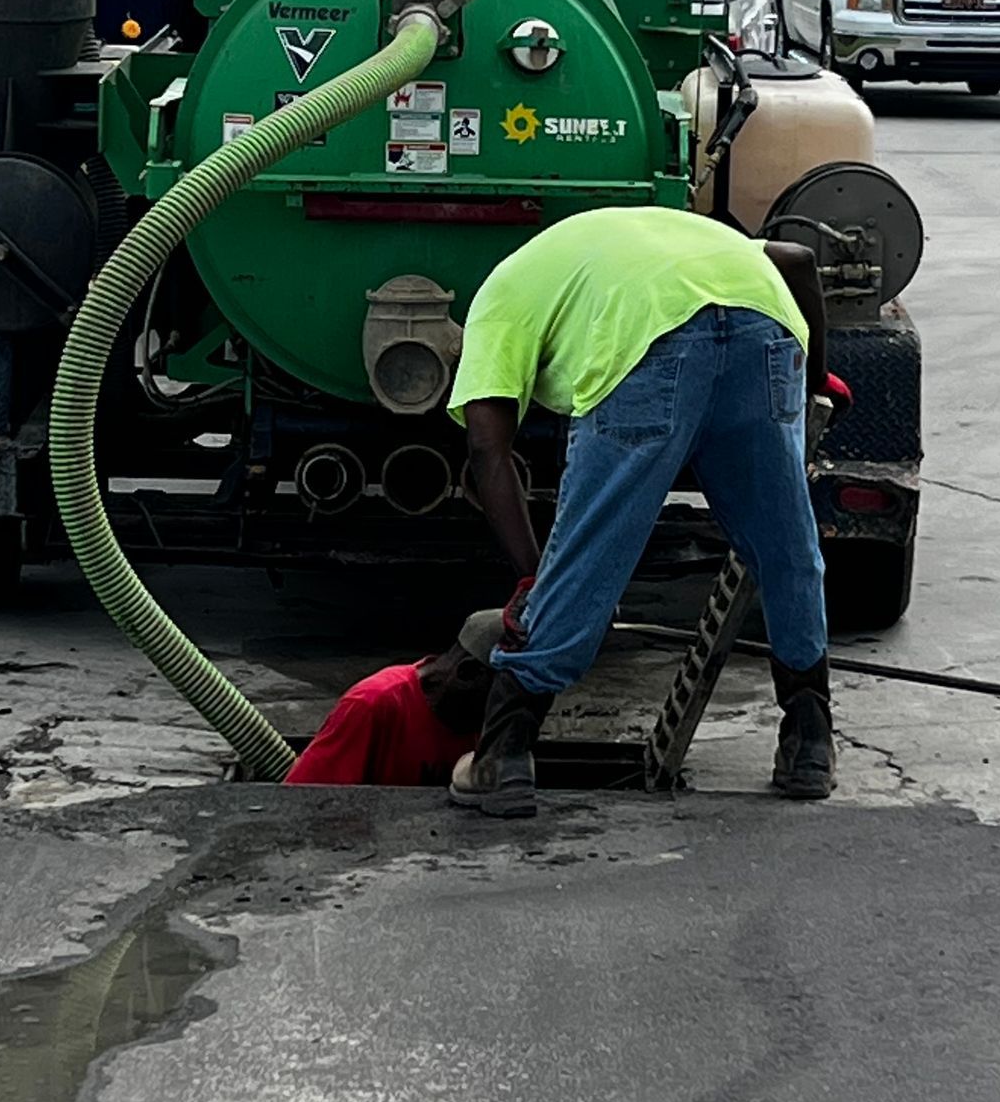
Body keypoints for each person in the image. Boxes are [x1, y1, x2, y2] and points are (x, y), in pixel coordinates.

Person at [448, 205, 839, 817]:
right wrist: (816, 381)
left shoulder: (497, 302)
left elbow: (486, 448)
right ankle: (809, 743)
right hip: (766, 322)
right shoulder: (630, 239)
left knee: (592, 547)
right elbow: (799, 260)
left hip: (647, 336)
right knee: (787, 545)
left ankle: (505, 753)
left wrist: (531, 575)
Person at [285, 609, 503, 787]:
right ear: (467, 673)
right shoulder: (372, 704)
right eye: (508, 693)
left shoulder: (489, 723)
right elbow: (301, 801)